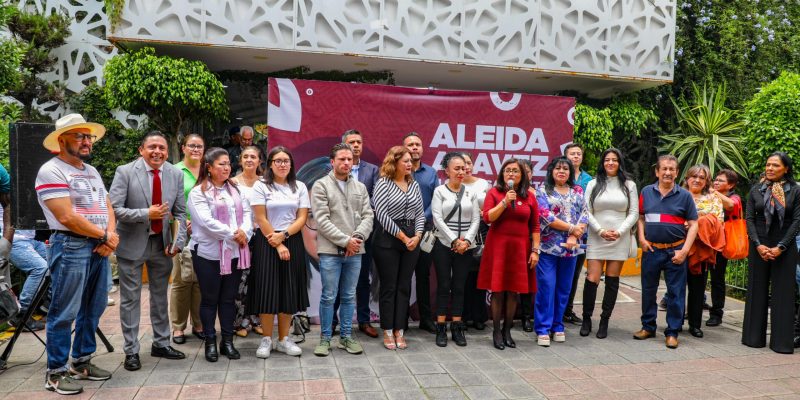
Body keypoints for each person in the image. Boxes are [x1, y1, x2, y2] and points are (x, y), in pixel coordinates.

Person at [35, 114, 119, 394]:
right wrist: (105, 236)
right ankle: (55, 372)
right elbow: (67, 217)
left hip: (98, 245)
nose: (86, 142)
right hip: (71, 245)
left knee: (93, 308)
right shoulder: (51, 170)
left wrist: (110, 236)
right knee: (64, 311)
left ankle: (81, 362)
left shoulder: (91, 171)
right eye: (79, 136)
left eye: (88, 137)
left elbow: (107, 206)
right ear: (61, 140)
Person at [110, 131, 188, 370]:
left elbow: (181, 213)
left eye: (162, 148)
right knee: (131, 300)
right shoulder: (125, 172)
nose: (157, 152)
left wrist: (178, 242)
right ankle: (131, 350)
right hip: (131, 244)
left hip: (161, 246)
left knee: (159, 296)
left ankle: (161, 343)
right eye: (152, 147)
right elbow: (113, 209)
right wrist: (146, 213)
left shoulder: (175, 173)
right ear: (141, 149)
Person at [187, 147, 253, 362]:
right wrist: (235, 234)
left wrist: (246, 232)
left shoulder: (236, 190)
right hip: (208, 254)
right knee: (209, 299)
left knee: (228, 299)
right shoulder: (199, 192)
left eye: (228, 163)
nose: (227, 168)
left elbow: (248, 215)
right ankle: (210, 342)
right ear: (209, 167)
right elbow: (205, 222)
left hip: (233, 253)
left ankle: (227, 342)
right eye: (221, 164)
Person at [311, 143, 374, 356]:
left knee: (349, 296)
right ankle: (325, 339)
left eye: (349, 159)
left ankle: (346, 337)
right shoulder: (321, 185)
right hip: (330, 251)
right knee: (329, 296)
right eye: (342, 159)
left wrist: (356, 238)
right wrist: (345, 240)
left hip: (355, 250)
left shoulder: (360, 188)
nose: (346, 162)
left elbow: (368, 216)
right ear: (332, 162)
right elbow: (321, 220)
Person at [248, 146, 310, 358]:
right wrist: (277, 242)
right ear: (270, 164)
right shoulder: (261, 186)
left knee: (288, 290)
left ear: (291, 164)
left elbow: (302, 218)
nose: (282, 164)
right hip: (266, 242)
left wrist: (283, 237)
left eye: (286, 161)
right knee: (267, 290)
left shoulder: (299, 186)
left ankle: (283, 339)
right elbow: (261, 218)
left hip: (291, 240)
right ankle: (266, 339)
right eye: (278, 161)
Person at [634, 154, 698, 349]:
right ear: (657, 171)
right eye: (664, 169)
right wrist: (642, 239)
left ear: (677, 173)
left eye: (672, 169)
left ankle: (672, 332)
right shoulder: (646, 191)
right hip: (651, 250)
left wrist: (684, 251)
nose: (668, 173)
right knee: (648, 290)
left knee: (676, 293)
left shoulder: (685, 196)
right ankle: (648, 326)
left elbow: (694, 224)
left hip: (676, 251)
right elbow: (641, 218)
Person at [477, 158, 540, 350]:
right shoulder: (494, 193)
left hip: (520, 247)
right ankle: (496, 331)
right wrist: (505, 202)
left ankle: (507, 331)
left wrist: (535, 250)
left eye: (515, 171)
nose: (511, 174)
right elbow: (488, 217)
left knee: (513, 292)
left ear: (522, 176)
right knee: (497, 291)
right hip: (498, 247)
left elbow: (535, 226)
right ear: (502, 174)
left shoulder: (530, 197)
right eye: (507, 170)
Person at [743, 152, 800, 354]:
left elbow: (797, 221)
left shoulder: (795, 190)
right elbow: (749, 219)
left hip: (785, 245)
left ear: (786, 168)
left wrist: (781, 247)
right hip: (759, 244)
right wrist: (758, 244)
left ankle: (781, 343)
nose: (770, 168)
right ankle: (752, 337)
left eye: (775, 165)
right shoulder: (756, 189)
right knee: (756, 290)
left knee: (784, 293)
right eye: (768, 164)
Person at [372, 146, 426, 350]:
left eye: (410, 161)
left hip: (413, 239)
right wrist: (404, 237)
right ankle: (387, 331)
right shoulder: (383, 183)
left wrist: (417, 236)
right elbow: (382, 215)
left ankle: (399, 330)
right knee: (389, 287)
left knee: (404, 286)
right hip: (388, 240)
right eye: (405, 161)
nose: (409, 164)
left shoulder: (414, 184)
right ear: (394, 162)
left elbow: (420, 213)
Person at [581, 148, 638, 339]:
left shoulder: (629, 185)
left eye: (614, 160)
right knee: (592, 278)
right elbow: (586, 210)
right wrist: (600, 231)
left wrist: (620, 232)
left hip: (619, 238)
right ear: (602, 162)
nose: (611, 163)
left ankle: (604, 321)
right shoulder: (593, 184)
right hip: (597, 236)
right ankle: (587, 319)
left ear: (620, 163)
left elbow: (634, 213)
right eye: (607, 160)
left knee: (612, 281)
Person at [534, 157, 588, 346]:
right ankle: (542, 328)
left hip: (571, 250)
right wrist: (571, 229)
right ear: (551, 171)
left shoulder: (577, 191)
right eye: (558, 168)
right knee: (547, 287)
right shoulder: (542, 190)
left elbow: (585, 214)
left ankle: (558, 325)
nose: (562, 171)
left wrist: (574, 236)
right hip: (548, 248)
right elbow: (545, 216)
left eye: (566, 169)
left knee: (564, 289)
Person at [332, 129, 380, 338]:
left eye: (359, 142)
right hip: (337, 234)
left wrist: (360, 228)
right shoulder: (332, 170)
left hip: (364, 234)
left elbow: (374, 200)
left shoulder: (372, 170)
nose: (356, 145)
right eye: (351, 142)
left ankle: (363, 320)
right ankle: (332, 322)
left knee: (362, 279)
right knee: (335, 279)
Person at [431, 152, 480, 347]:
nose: (461, 172)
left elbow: (476, 218)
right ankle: (441, 326)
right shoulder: (439, 191)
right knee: (444, 286)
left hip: (465, 247)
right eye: (456, 168)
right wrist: (454, 241)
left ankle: (457, 326)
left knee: (459, 287)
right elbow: (437, 218)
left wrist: (466, 241)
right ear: (447, 171)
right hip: (443, 245)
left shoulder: (471, 192)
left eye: (463, 168)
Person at [170, 134, 205, 345]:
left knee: (201, 280)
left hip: (205, 232)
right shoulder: (174, 171)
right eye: (191, 145)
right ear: (183, 148)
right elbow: (167, 201)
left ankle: (199, 324)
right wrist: (182, 222)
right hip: (181, 231)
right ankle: (178, 327)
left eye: (199, 146)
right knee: (181, 280)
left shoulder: (208, 169)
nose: (195, 149)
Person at [683, 164, 725, 339]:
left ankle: (695, 325)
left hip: (702, 250)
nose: (697, 180)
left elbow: (718, 221)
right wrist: (701, 220)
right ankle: (675, 322)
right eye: (694, 176)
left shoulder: (713, 198)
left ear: (706, 181)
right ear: (687, 178)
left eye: (702, 177)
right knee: (676, 288)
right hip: (679, 246)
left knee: (698, 289)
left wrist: (695, 224)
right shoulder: (678, 195)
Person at [403, 132, 439, 333]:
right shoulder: (398, 171)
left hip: (425, 232)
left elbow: (436, 201)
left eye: (417, 144)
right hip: (403, 232)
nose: (414, 147)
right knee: (404, 276)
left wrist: (420, 218)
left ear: (422, 148)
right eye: (410, 144)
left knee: (423, 275)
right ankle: (402, 319)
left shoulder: (431, 173)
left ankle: (426, 319)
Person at [230, 146, 264, 338]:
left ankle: (256, 319)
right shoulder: (232, 183)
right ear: (240, 160)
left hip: (262, 235)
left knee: (259, 278)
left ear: (260, 161)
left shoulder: (266, 182)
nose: (250, 159)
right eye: (246, 156)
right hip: (241, 237)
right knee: (240, 281)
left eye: (254, 156)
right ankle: (239, 322)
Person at [1, 203, 47, 331]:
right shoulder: (7, 185)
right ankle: (21, 314)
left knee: (57, 262)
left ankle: (47, 304)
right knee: (40, 268)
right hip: (12, 238)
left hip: (30, 239)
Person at [459, 152, 491, 331]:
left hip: (481, 234)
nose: (466, 166)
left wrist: (484, 214)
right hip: (460, 234)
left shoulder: (483, 184)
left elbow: (490, 208)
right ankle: (463, 316)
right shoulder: (453, 185)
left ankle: (480, 316)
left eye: (469, 162)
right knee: (462, 278)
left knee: (479, 276)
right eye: (462, 163)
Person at [707, 169, 741, 327]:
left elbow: (730, 205)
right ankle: (695, 307)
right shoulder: (708, 195)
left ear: (731, 184)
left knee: (717, 279)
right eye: (716, 180)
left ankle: (716, 313)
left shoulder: (734, 197)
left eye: (721, 181)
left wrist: (714, 192)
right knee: (697, 276)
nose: (716, 182)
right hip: (705, 241)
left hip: (721, 245)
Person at [563, 143, 592, 325]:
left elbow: (588, 208)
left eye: (578, 154)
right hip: (558, 235)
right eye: (572, 154)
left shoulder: (589, 180)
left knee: (574, 275)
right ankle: (556, 310)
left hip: (582, 235)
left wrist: (579, 229)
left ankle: (568, 310)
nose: (575, 156)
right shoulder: (558, 176)